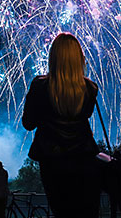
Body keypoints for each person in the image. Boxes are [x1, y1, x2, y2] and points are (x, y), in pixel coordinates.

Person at [22, 32, 101, 218]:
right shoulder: (90, 89)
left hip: (52, 162)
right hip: (84, 159)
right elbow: (84, 115)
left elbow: (28, 124)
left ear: (53, 57)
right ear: (79, 58)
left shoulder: (40, 86)